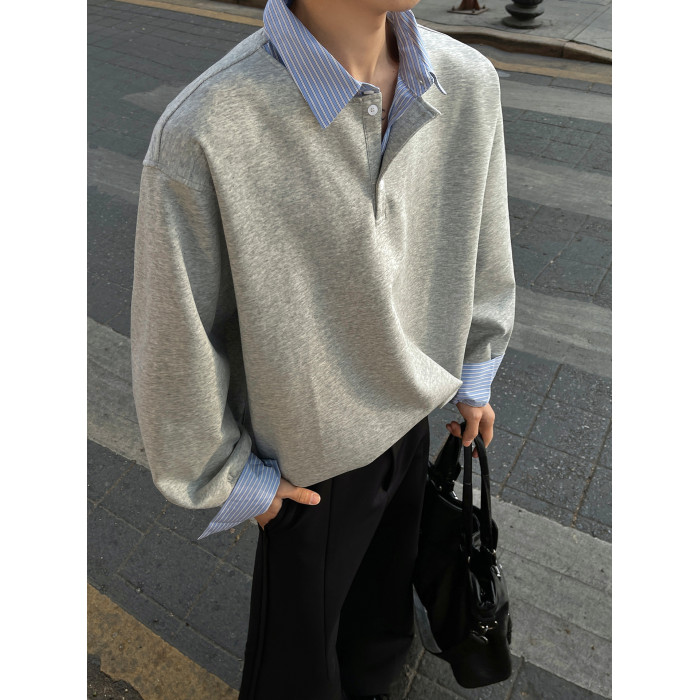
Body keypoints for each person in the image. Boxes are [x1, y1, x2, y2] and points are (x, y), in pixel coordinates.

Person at [130, 0, 516, 698]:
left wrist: (476, 370)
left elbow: (483, 234)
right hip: (310, 469)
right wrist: (234, 481)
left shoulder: (466, 79)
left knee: (382, 635)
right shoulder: (208, 126)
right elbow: (176, 339)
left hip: (412, 427)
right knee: (297, 672)